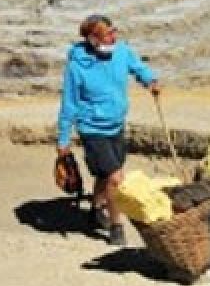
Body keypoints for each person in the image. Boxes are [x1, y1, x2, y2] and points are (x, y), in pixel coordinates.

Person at [57, 14, 160, 247]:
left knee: (106, 176)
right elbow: (69, 104)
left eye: (114, 31)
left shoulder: (121, 51)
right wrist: (63, 140)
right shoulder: (76, 66)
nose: (114, 36)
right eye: (108, 34)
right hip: (92, 129)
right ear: (93, 39)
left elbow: (137, 67)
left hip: (116, 125)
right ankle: (116, 226)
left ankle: (95, 210)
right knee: (115, 178)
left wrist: (150, 80)